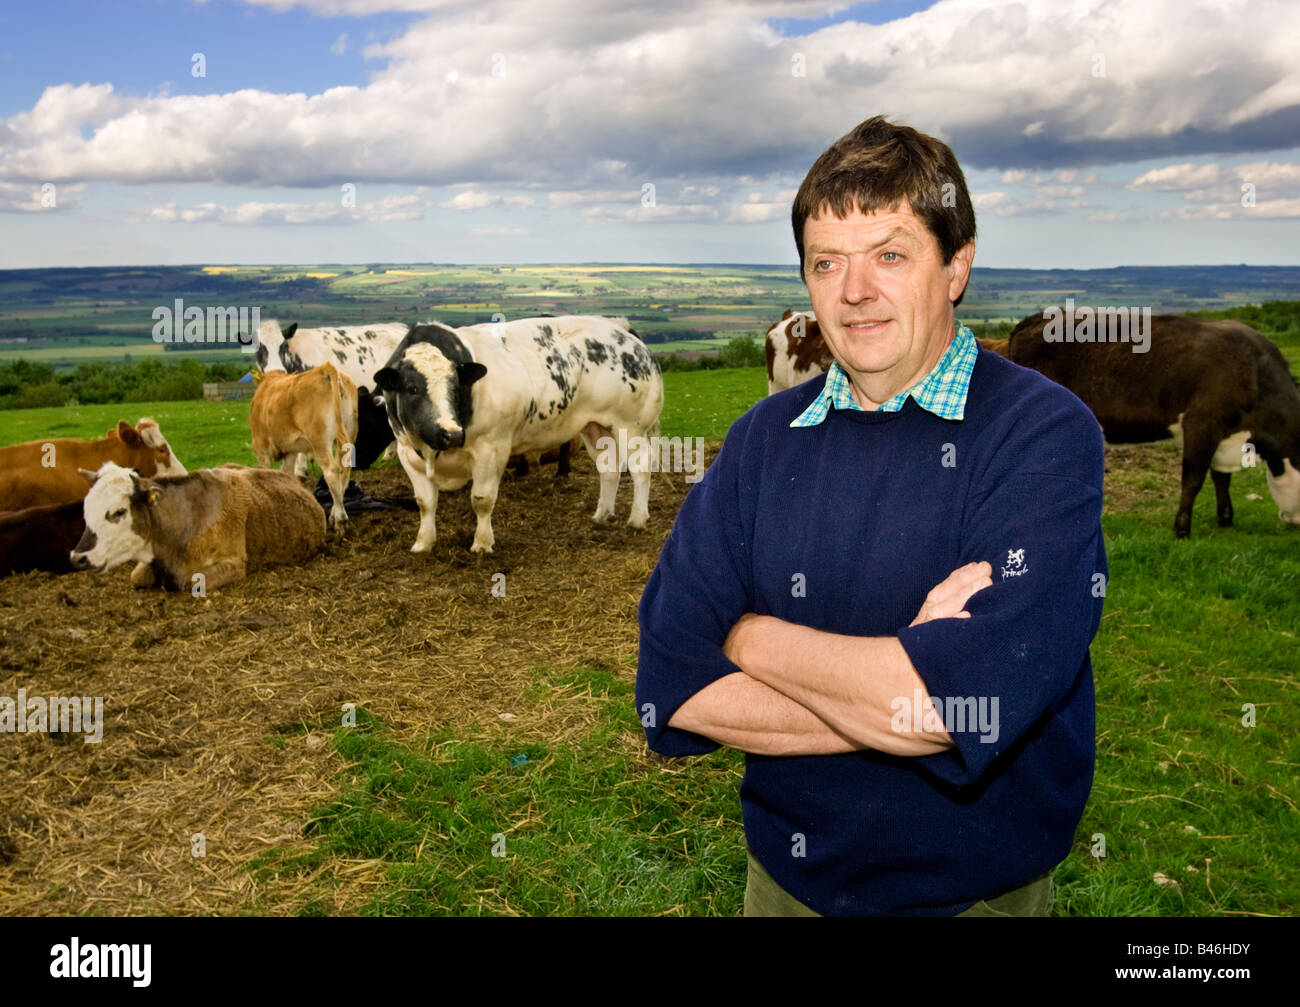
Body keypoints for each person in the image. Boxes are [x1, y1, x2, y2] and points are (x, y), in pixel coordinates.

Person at [635, 116, 1107, 917]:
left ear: (956, 265)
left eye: (890, 254)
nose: (855, 292)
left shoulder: (1041, 433)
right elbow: (671, 686)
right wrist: (896, 677)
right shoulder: (760, 441)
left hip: (976, 897)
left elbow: (947, 710)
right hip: (784, 889)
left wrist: (750, 637)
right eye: (828, 263)